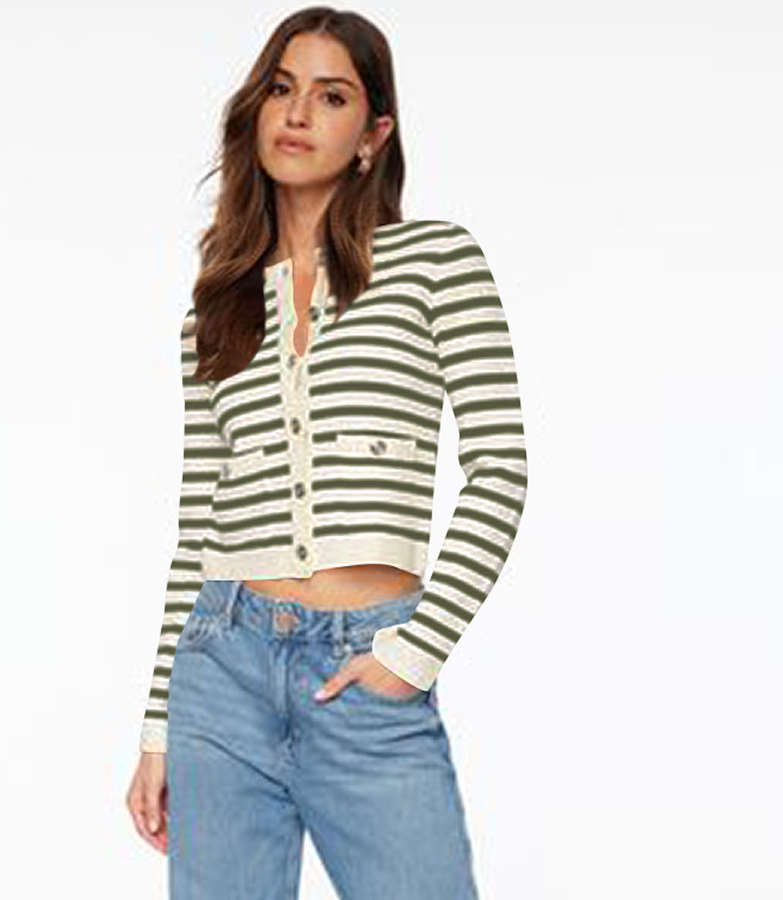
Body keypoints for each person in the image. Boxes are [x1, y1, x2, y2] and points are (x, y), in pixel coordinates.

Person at [126, 7, 527, 898]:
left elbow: (501, 470)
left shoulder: (435, 263)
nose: (298, 113)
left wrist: (411, 654)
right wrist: (157, 728)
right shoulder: (215, 310)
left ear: (373, 135)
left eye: (332, 96)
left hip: (364, 666)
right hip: (220, 671)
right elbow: (198, 529)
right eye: (281, 89)